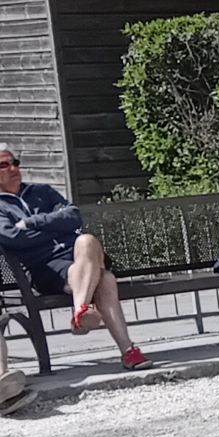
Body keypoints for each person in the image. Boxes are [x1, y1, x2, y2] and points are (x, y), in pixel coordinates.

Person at [0, 144, 144, 368]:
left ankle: (80, 310)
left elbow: (74, 216)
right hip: (45, 268)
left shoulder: (43, 192)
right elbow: (14, 237)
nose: (13, 169)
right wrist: (57, 227)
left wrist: (32, 223)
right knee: (105, 279)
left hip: (79, 255)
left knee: (86, 241)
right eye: (4, 165)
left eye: (15, 163)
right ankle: (129, 351)